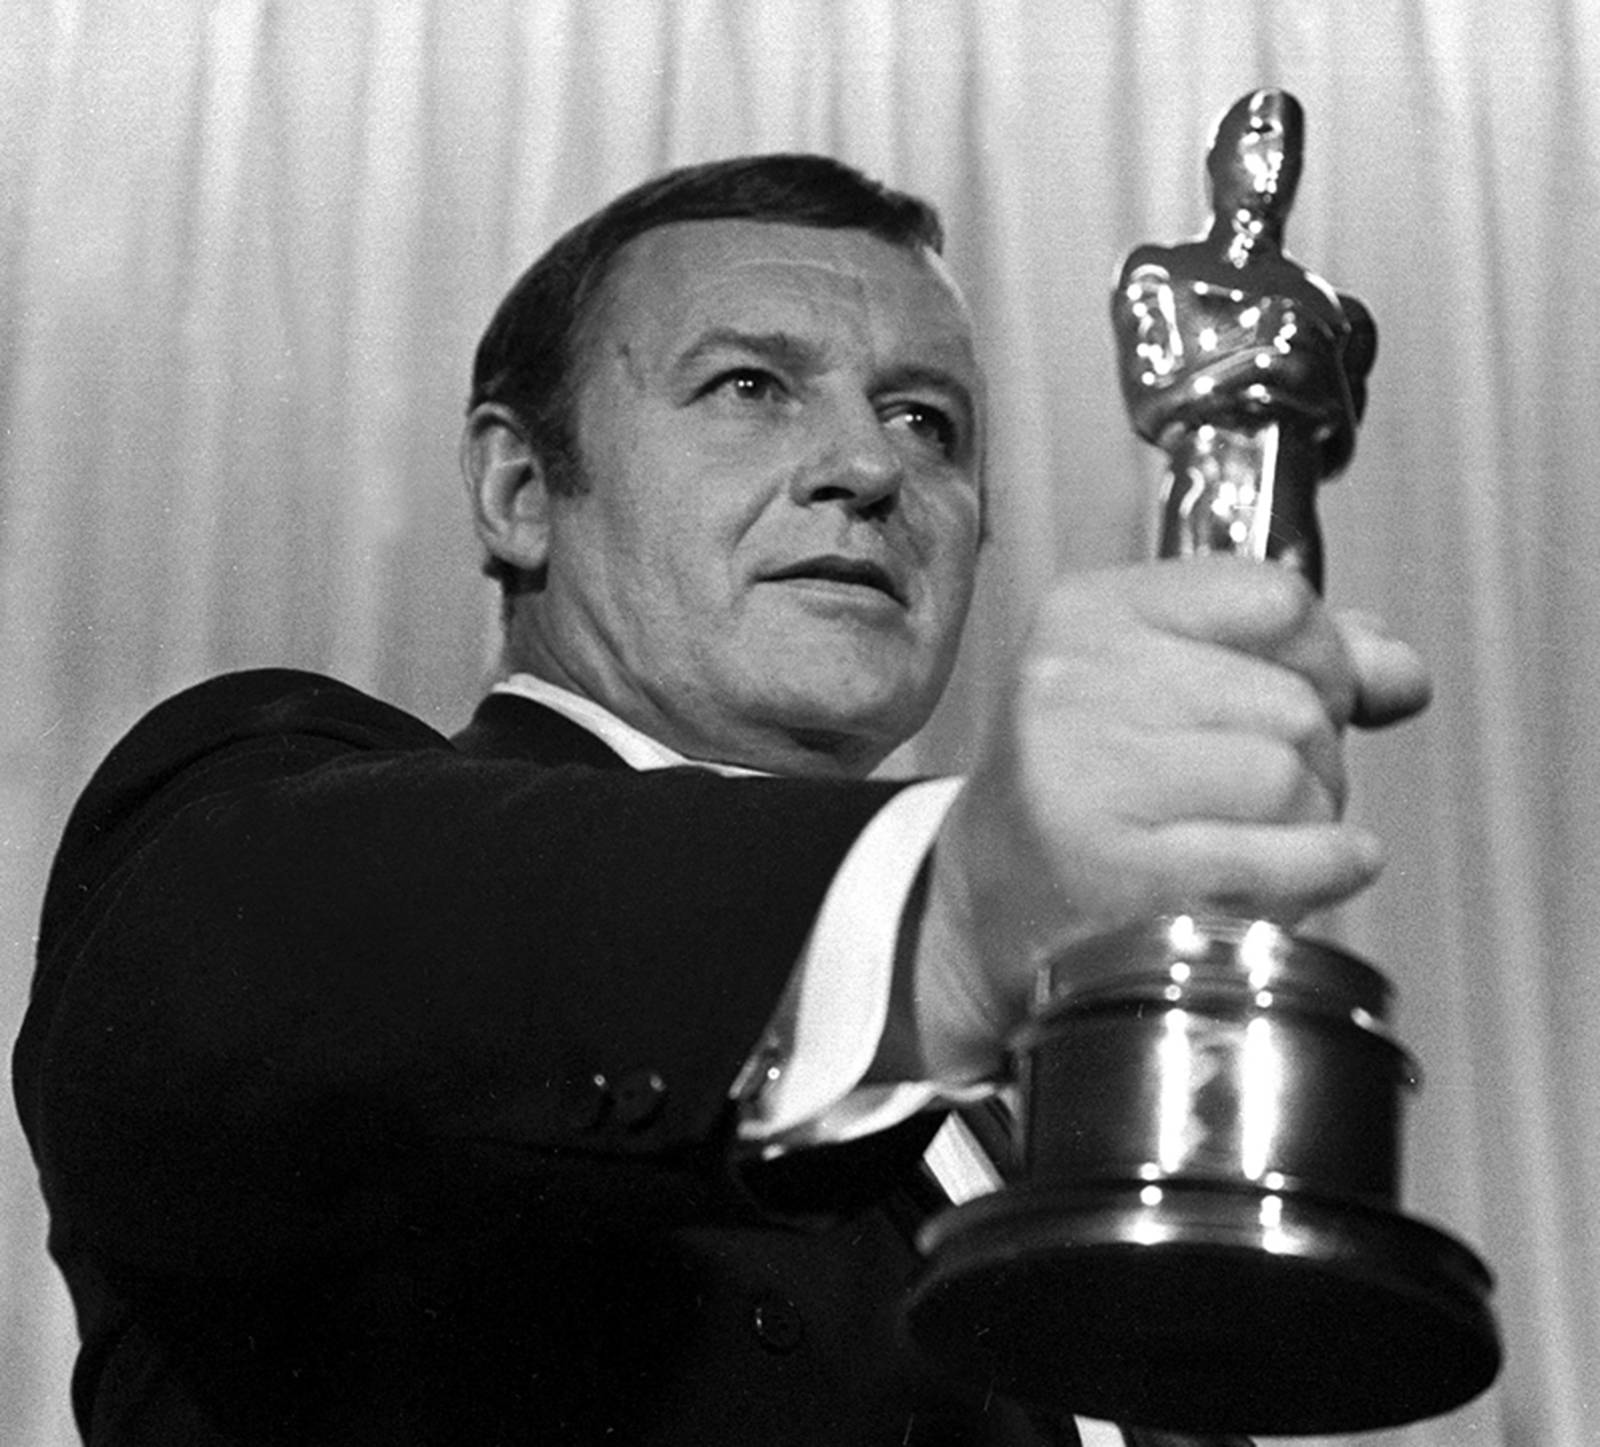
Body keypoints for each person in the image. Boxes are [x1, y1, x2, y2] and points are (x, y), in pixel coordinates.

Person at [13, 154, 1428, 1446]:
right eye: (750, 384)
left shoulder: (1040, 1099)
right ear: (518, 487)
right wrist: (942, 909)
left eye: (927, 421)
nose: (871, 469)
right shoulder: (250, 825)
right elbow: (336, 951)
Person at [1111, 89, 1378, 587]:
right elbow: (1151, 404)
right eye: (1258, 136)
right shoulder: (1162, 275)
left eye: (1290, 148)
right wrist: (1262, 366)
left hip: (1290, 526)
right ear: (1217, 155)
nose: (1275, 159)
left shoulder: (1334, 313)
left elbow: (1338, 445)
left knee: (1291, 646)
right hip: (1204, 507)